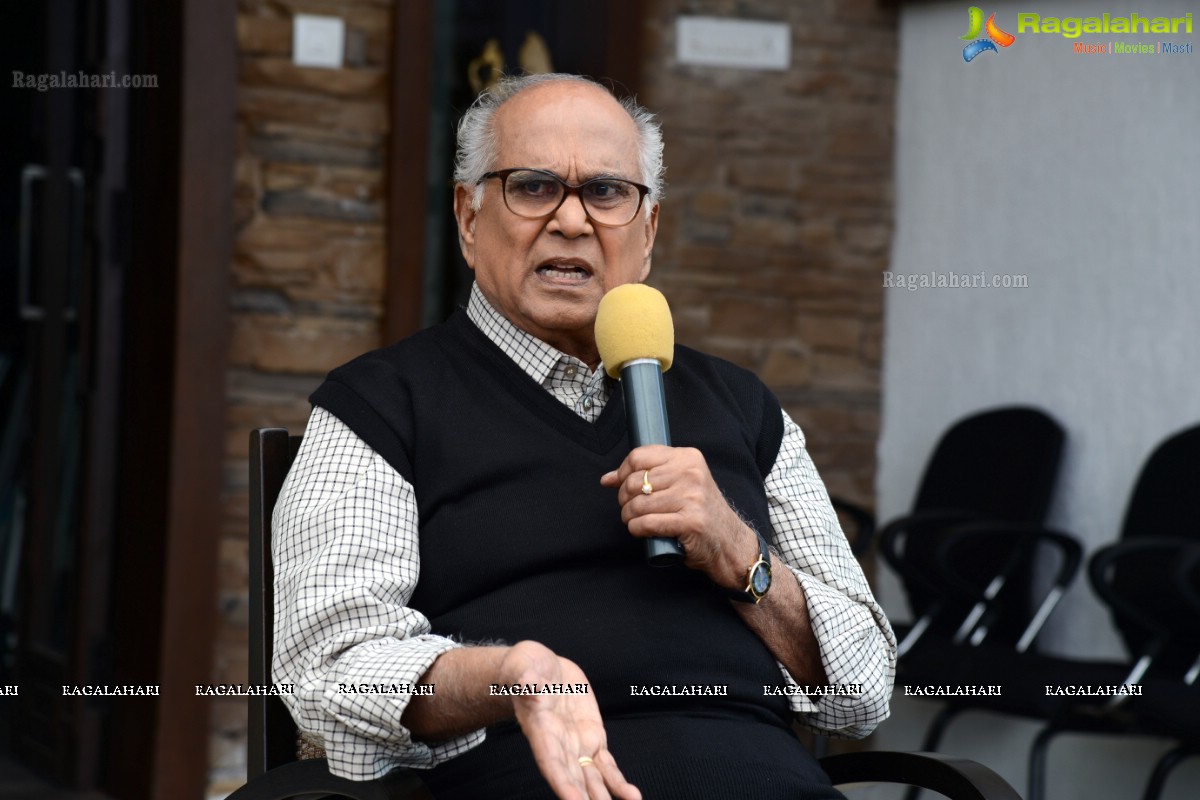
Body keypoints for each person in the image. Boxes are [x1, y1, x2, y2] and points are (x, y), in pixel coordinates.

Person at [272, 72, 896, 800]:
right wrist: (509, 677)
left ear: (649, 230)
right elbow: (326, 676)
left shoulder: (741, 406)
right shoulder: (383, 404)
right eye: (534, 187)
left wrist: (739, 554)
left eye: (605, 193)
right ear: (468, 217)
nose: (572, 221)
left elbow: (864, 691)